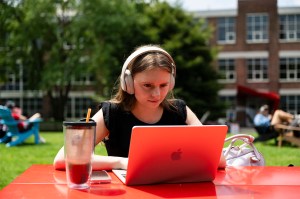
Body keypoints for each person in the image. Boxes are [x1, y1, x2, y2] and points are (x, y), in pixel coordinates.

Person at [53, 45, 226, 170]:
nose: (156, 94)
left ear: (172, 83)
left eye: (164, 85)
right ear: (128, 83)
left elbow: (217, 159)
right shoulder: (112, 113)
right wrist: (121, 162)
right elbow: (62, 159)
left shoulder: (179, 110)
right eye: (147, 85)